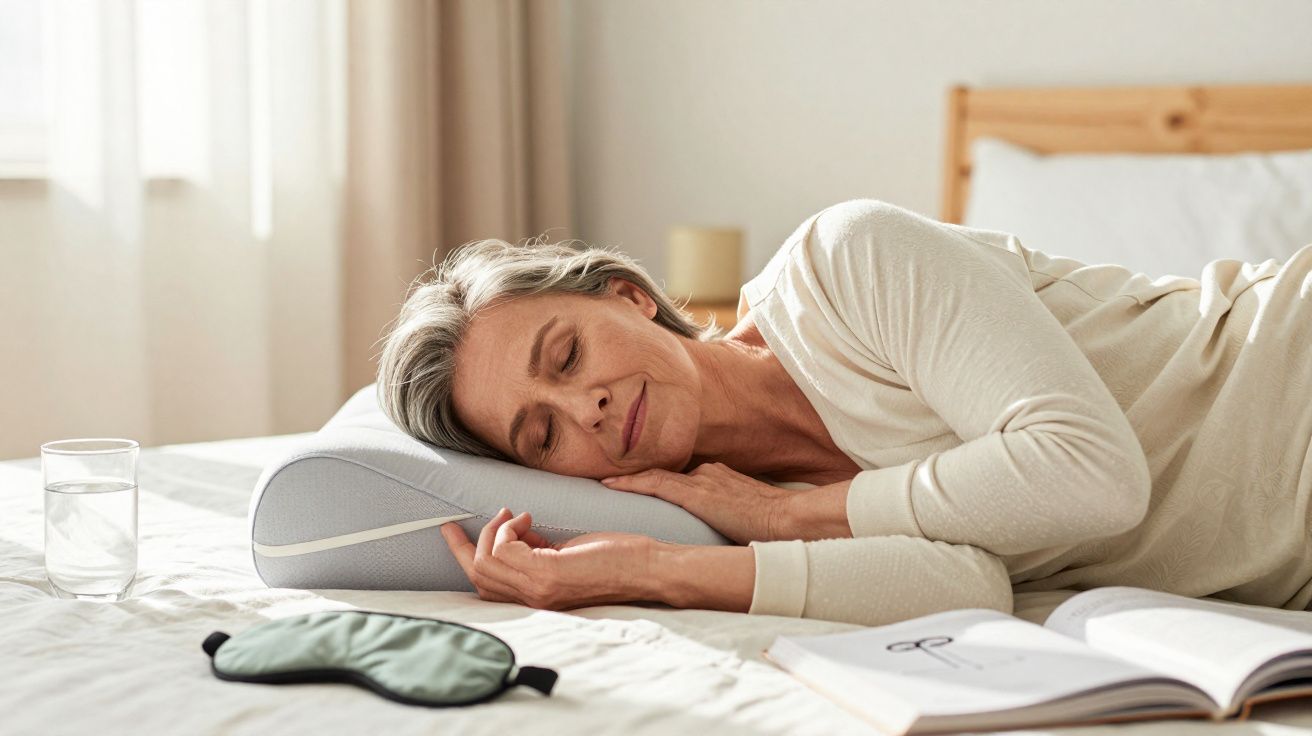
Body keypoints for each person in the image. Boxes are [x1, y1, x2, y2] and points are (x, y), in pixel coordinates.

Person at [375, 198, 1312, 627]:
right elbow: (973, 591)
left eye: (567, 355)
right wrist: (661, 569)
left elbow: (1091, 476)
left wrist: (790, 518)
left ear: (627, 295)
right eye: (541, 434)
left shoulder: (847, 265)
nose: (586, 407)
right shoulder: (726, 508)